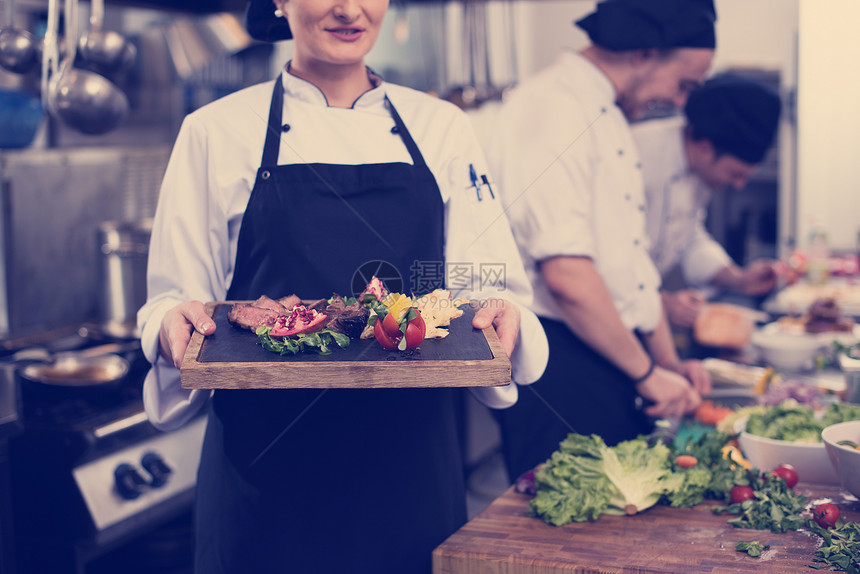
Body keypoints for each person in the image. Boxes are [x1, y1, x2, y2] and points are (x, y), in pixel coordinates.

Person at [137, 0, 548, 572]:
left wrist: (503, 315)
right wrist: (167, 325)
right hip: (267, 467)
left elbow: (491, 284)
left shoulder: (442, 126)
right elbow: (172, 297)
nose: (349, 9)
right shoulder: (214, 130)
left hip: (410, 463)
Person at [485, 0, 715, 483]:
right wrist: (647, 373)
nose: (679, 103)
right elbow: (567, 277)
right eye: (685, 85)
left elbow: (628, 264)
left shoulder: (604, 110)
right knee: (562, 547)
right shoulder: (552, 106)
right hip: (559, 362)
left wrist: (667, 362)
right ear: (643, 53)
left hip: (608, 353)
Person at [633, 73, 783, 329]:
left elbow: (689, 238)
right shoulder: (636, 155)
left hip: (641, 316)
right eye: (735, 174)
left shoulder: (699, 171)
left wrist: (739, 278)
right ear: (704, 148)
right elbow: (609, 258)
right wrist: (663, 303)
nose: (739, 184)